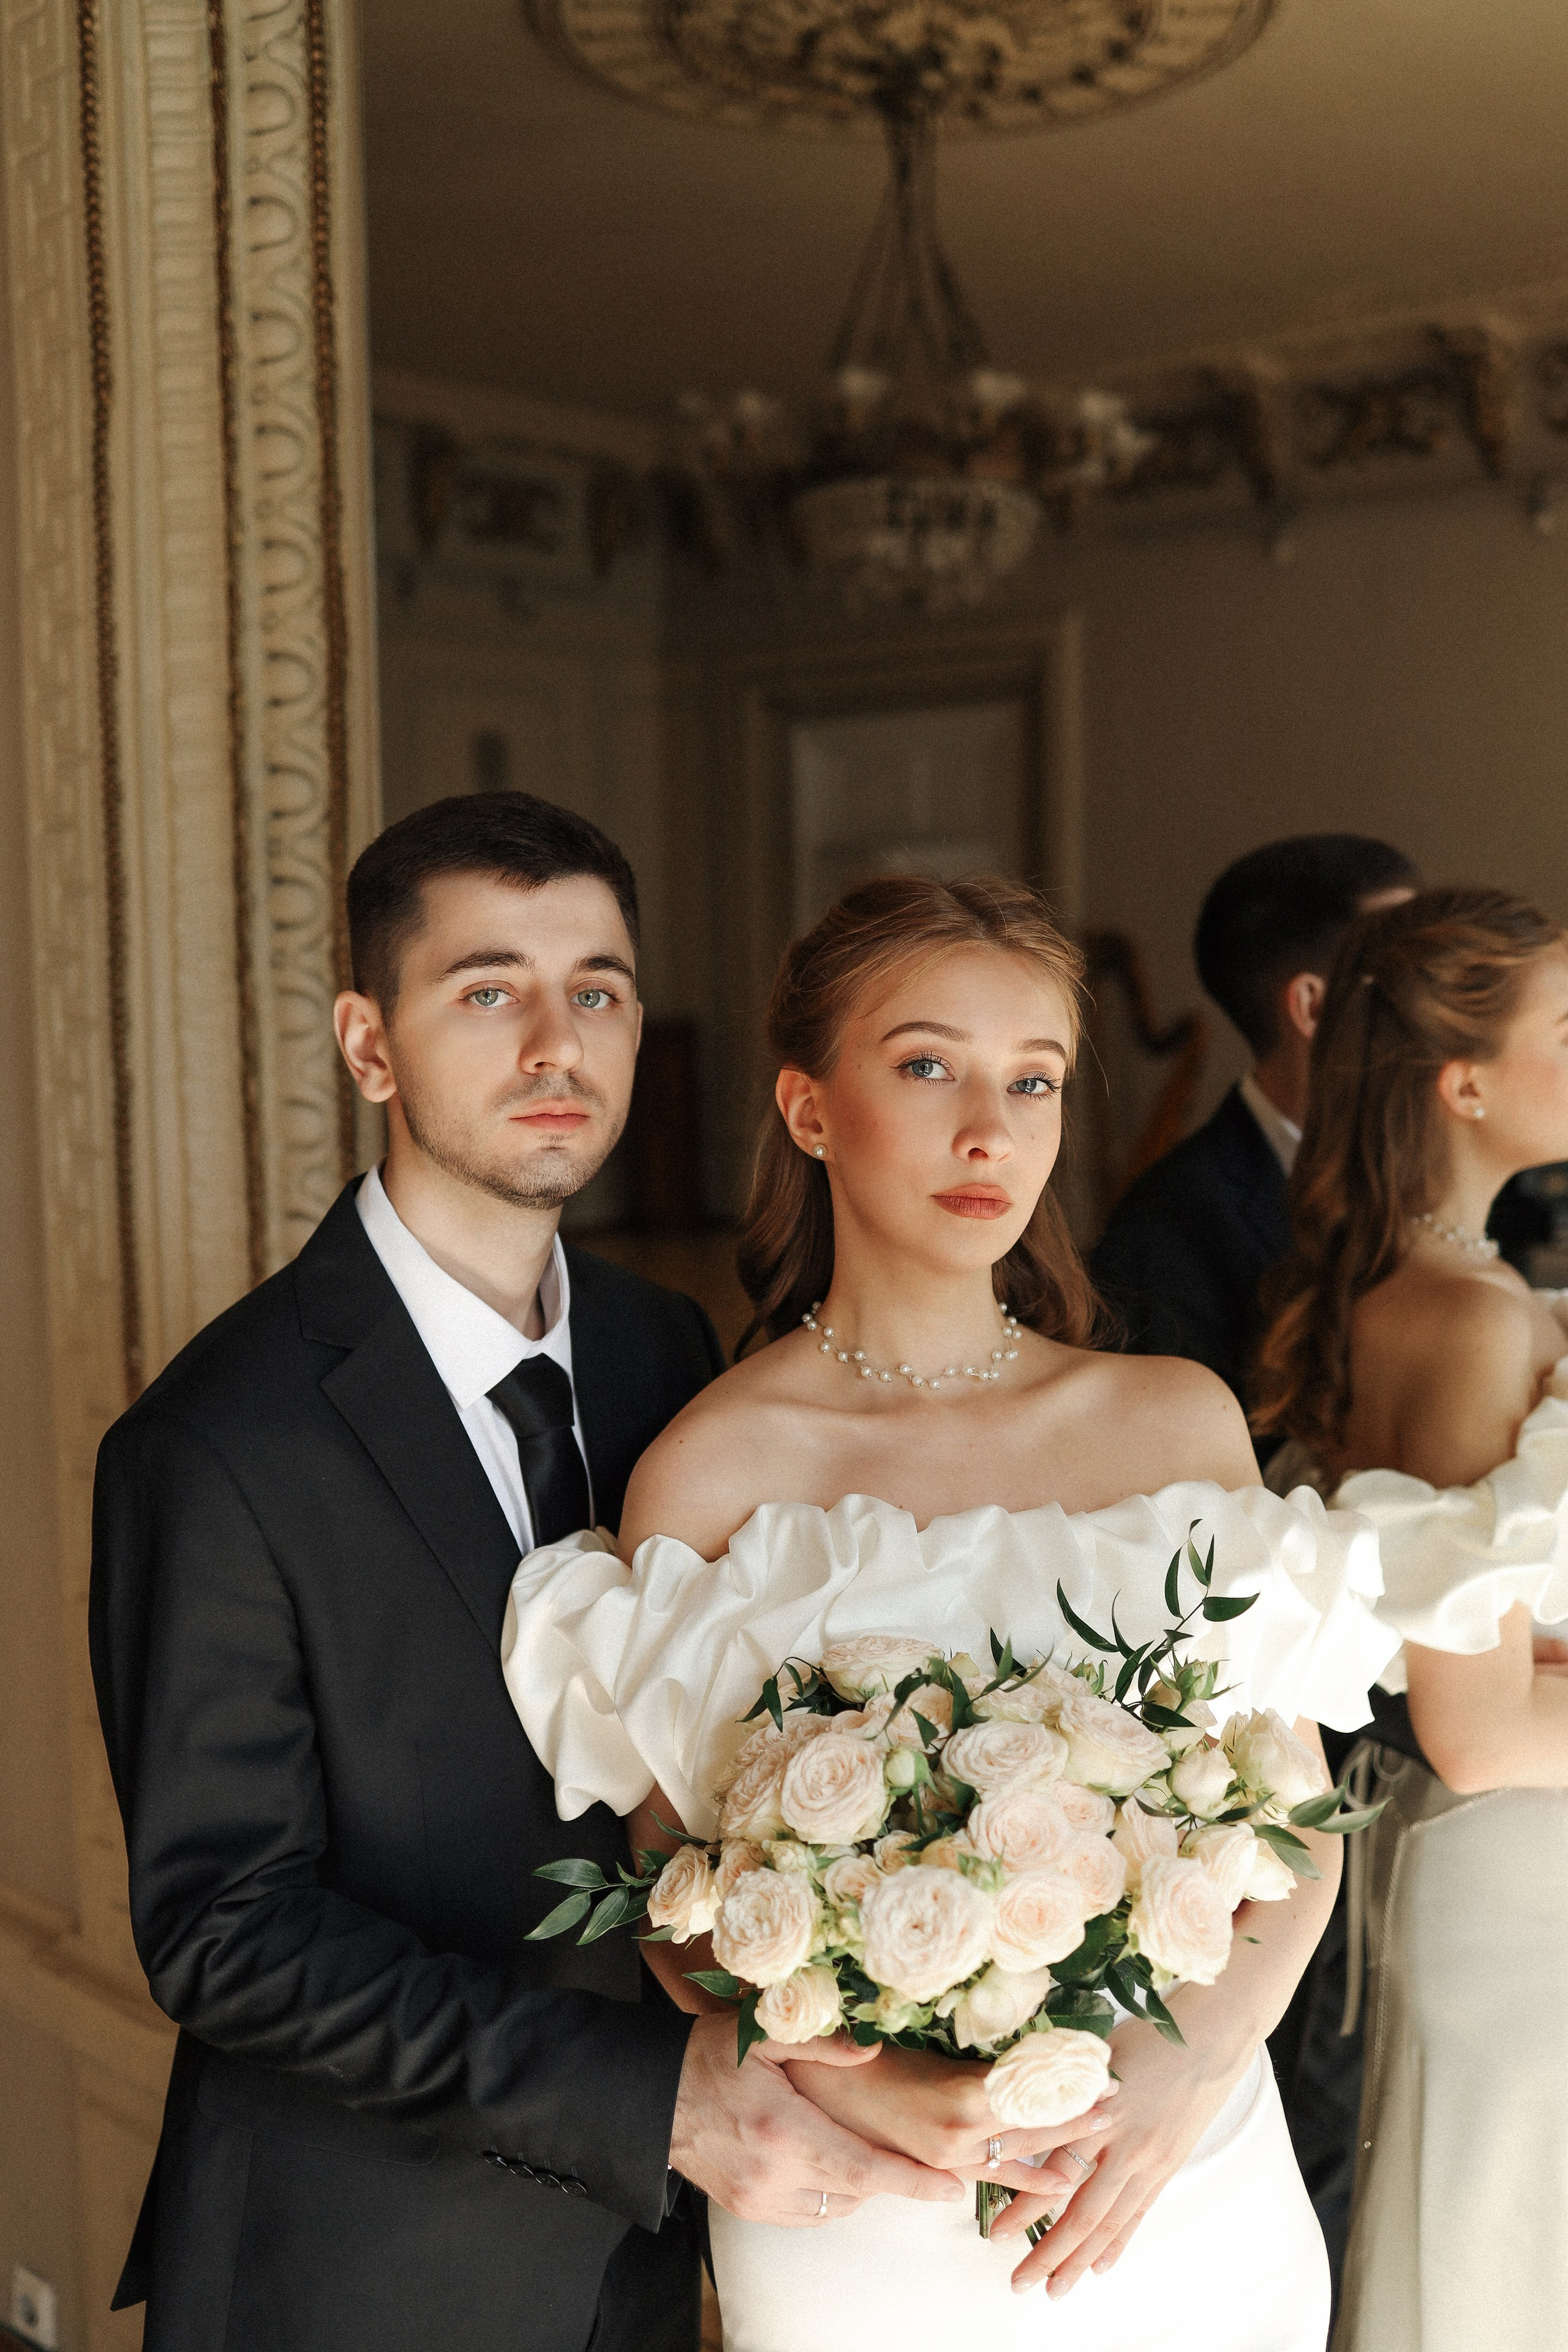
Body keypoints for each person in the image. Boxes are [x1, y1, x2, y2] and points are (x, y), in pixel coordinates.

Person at [87, 793, 959, 2352]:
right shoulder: (213, 1442)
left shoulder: (665, 1351)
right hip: (359, 2263)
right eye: (487, 989)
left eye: (599, 990)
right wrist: (654, 2099)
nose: (556, 1043)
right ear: (369, 1044)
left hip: (650, 2257)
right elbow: (226, 1925)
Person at [502, 874, 1398, 2352]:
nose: (989, 1130)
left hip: (1175, 2166)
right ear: (805, 1107)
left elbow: (1291, 1817)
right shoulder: (712, 1467)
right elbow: (676, 1893)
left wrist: (1189, 2072)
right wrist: (876, 2095)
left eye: (1030, 1080)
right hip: (864, 2199)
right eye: (925, 1065)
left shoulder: (1171, 1418)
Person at [1252, 886, 1568, 2352]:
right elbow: (1475, 1712)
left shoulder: (1431, 1288)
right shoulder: (1468, 1317)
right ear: (1462, 1081)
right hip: (1517, 1868)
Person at [1093, 835, 1419, 1410]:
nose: (1439, 995)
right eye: (1409, 967)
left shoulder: (1448, 1162)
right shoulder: (1167, 1230)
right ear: (1313, 1008)